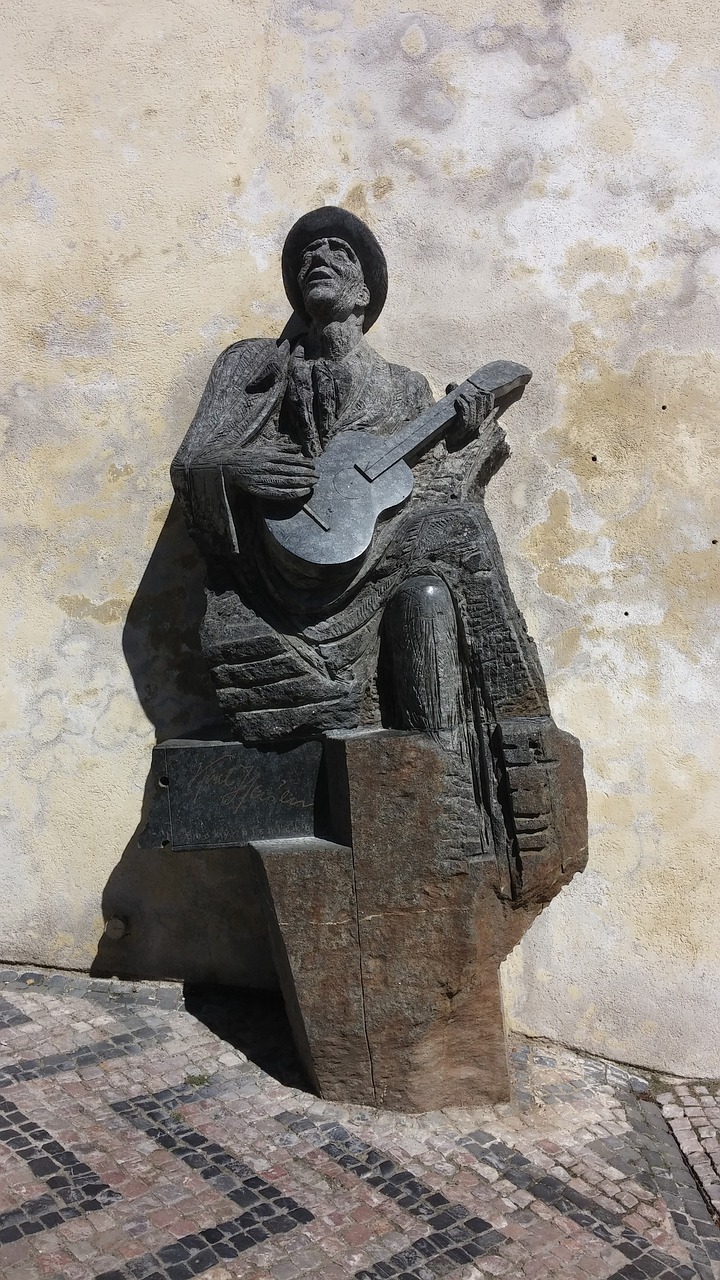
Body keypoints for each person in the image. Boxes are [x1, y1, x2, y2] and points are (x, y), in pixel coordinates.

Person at [171, 206, 549, 755]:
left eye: (337, 250)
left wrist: (468, 435)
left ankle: (498, 739)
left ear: (365, 292)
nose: (317, 258)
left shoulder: (405, 388)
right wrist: (234, 470)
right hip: (275, 570)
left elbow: (428, 487)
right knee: (456, 535)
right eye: (306, 256)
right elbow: (191, 465)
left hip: (375, 561)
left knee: (454, 540)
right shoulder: (251, 365)